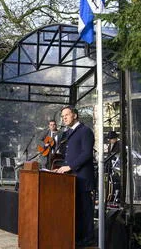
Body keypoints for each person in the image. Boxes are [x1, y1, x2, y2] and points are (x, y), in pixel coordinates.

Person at [56, 106, 95, 247]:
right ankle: (77, 238)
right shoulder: (68, 133)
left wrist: (70, 167)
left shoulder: (85, 131)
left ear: (75, 115)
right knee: (76, 210)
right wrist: (60, 167)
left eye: (66, 115)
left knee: (85, 210)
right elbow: (68, 154)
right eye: (62, 116)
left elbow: (86, 154)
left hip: (82, 178)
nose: (64, 118)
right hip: (71, 178)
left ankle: (88, 239)